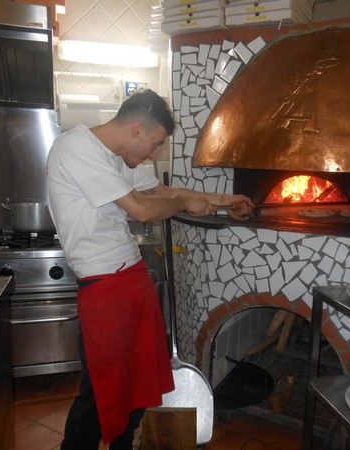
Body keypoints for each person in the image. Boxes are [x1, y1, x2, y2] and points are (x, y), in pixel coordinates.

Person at [47, 88, 254, 450]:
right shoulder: (75, 148)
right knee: (100, 392)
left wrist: (224, 200)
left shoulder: (117, 157)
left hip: (132, 281)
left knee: (137, 386)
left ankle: (124, 446)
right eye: (156, 144)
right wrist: (185, 202)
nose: (154, 154)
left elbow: (162, 190)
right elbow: (142, 209)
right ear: (136, 129)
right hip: (103, 287)